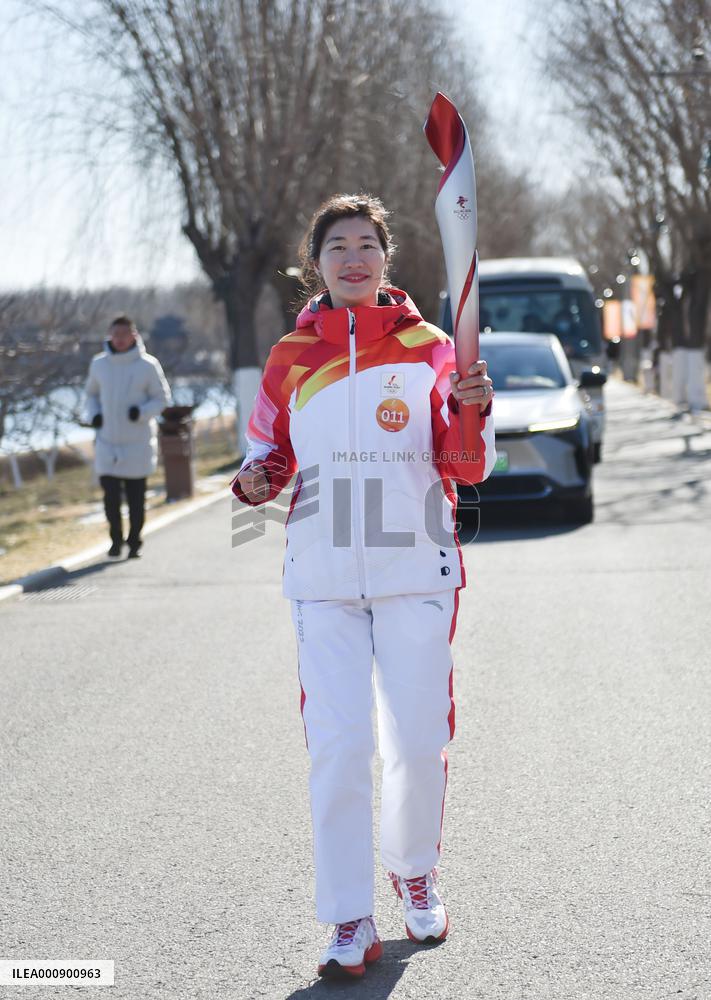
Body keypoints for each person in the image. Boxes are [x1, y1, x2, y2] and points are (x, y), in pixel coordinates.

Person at [231, 194, 496, 979]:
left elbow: (465, 467)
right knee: (339, 748)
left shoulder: (432, 348)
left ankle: (414, 870)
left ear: (387, 257)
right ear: (315, 262)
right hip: (321, 578)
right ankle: (349, 916)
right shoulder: (288, 357)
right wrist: (253, 481)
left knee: (416, 742)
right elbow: (269, 456)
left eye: (366, 244)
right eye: (337, 245)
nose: (353, 257)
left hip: (415, 568)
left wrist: (471, 412)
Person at [83, 315, 172, 559]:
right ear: (109, 335)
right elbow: (90, 394)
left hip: (137, 444)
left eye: (124, 334)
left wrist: (142, 412)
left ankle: (134, 541)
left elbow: (162, 398)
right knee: (110, 499)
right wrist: (95, 414)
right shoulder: (99, 364)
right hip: (107, 443)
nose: (120, 339)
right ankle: (115, 541)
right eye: (116, 334)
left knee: (135, 500)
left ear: (134, 335)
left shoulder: (147, 365)